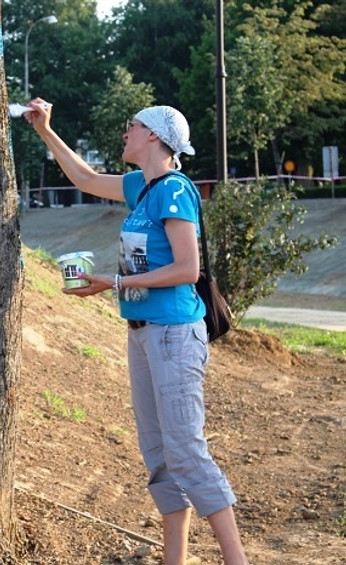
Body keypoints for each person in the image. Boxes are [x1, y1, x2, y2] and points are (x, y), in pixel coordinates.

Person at [22, 100, 249, 565]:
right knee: (160, 455)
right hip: (143, 334)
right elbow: (84, 179)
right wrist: (46, 130)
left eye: (132, 126)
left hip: (173, 334)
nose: (125, 132)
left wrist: (116, 282)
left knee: (185, 451)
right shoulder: (140, 187)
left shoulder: (174, 190)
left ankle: (237, 561)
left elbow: (188, 269)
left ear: (153, 137)